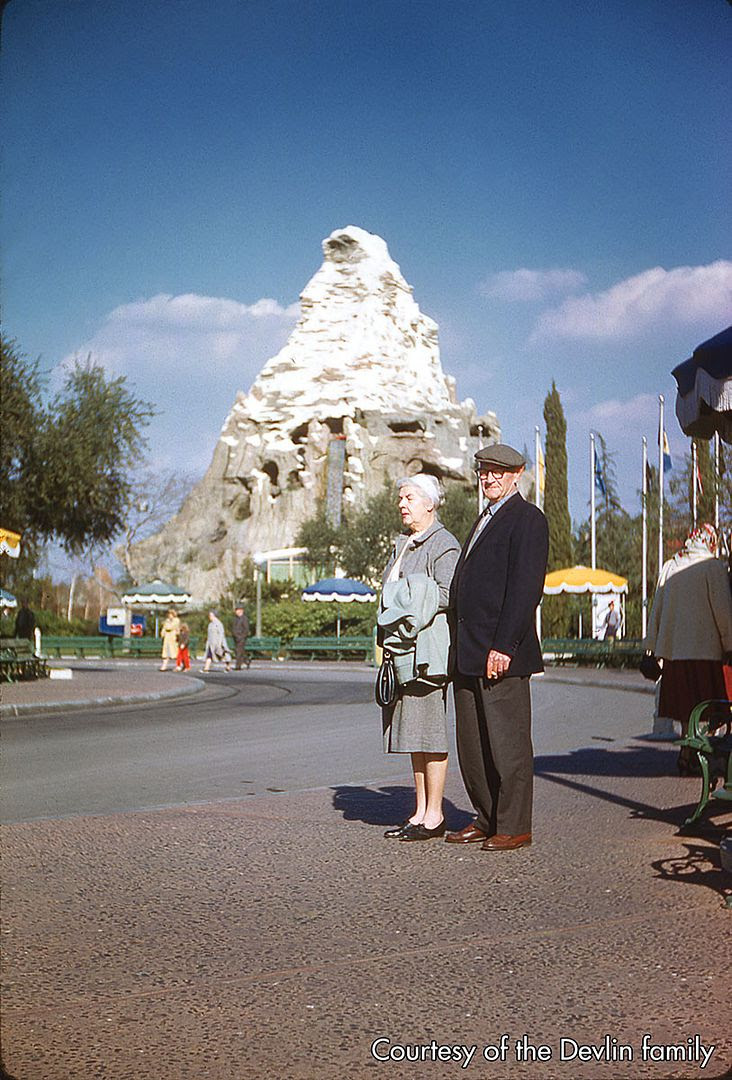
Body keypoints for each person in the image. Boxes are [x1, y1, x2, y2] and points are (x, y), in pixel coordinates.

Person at [446, 444, 549, 851]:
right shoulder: (483, 518)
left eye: (497, 472)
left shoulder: (527, 519)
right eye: (484, 472)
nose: (488, 478)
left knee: (508, 746)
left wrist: (504, 646)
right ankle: (487, 817)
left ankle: (514, 825)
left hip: (500, 654)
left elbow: (525, 588)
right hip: (469, 653)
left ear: (517, 474)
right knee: (473, 748)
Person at [378, 473, 461, 841]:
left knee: (429, 733)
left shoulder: (443, 544)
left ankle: (435, 814)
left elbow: (447, 593)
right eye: (401, 498)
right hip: (402, 650)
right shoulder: (405, 544)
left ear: (430, 503)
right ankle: (420, 811)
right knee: (413, 733)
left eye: (409, 498)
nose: (402, 504)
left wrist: (404, 598)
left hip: (427, 654)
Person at [645, 523, 732, 773]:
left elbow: (657, 608)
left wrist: (651, 645)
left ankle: (687, 752)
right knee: (708, 706)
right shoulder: (713, 568)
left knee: (686, 709)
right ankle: (698, 753)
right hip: (706, 652)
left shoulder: (671, 566)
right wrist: (729, 644)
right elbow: (723, 611)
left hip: (675, 652)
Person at [232, 605, 251, 669]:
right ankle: (246, 660)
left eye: (237, 610)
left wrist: (242, 637)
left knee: (239, 652)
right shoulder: (235, 619)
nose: (236, 612)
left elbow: (246, 629)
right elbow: (233, 628)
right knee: (239, 651)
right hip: (236, 638)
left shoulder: (244, 619)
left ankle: (238, 666)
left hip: (241, 638)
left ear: (241, 611)